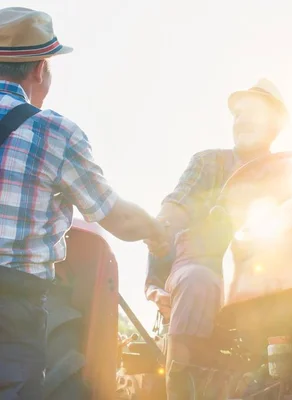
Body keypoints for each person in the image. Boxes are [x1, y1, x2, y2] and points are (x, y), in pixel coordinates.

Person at [0, 7, 168, 399]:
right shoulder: (53, 132)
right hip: (13, 306)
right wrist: (158, 233)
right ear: (40, 68)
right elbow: (119, 218)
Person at [144, 78, 289, 399]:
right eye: (238, 114)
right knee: (198, 281)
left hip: (272, 270)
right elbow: (179, 202)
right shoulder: (208, 162)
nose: (243, 120)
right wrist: (161, 225)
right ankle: (183, 387)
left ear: (276, 124)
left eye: (254, 112)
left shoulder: (288, 171)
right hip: (204, 264)